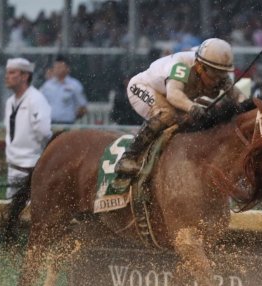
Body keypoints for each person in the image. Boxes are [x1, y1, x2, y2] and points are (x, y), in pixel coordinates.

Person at [113, 37, 244, 189]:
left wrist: (250, 107)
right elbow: (174, 95)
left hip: (169, 93)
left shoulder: (216, 73)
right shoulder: (181, 65)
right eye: (215, 75)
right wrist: (192, 107)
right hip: (142, 87)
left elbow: (238, 96)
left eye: (222, 74)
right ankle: (128, 157)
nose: (219, 81)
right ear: (200, 67)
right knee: (167, 115)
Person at [3, 57, 52, 198]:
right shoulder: (10, 102)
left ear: (25, 76)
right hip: (13, 166)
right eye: (7, 72)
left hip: (31, 167)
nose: (7, 76)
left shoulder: (36, 99)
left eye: (12, 73)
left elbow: (43, 132)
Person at [40, 55, 88, 124]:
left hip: (67, 124)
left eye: (60, 67)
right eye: (56, 67)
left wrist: (73, 118)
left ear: (67, 68)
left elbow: (83, 107)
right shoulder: (47, 85)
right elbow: (38, 101)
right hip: (50, 124)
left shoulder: (75, 85)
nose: (57, 69)